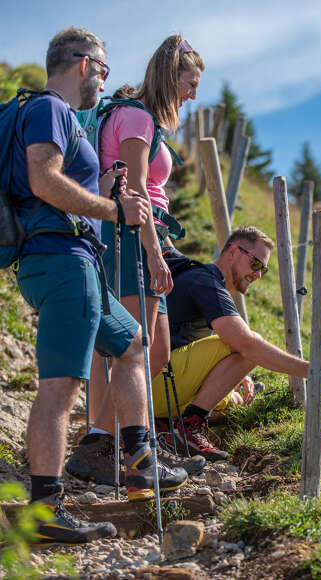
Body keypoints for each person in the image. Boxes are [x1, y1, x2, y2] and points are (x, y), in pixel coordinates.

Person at [11, 27, 187, 544]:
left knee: (131, 341)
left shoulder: (62, 119)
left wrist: (106, 186)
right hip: (61, 261)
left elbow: (55, 187)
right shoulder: (48, 109)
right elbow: (44, 181)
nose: (106, 80)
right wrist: (113, 208)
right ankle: (45, 509)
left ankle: (139, 464)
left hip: (76, 259)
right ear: (84, 64)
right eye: (104, 69)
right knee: (61, 385)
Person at [82, 34, 204, 447]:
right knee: (133, 348)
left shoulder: (140, 117)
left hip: (142, 237)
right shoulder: (137, 119)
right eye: (190, 83)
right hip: (131, 236)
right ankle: (102, 443)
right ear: (172, 77)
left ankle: (111, 439)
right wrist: (155, 253)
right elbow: (134, 190)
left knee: (156, 351)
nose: (192, 95)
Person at [152, 226, 321, 461]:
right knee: (248, 349)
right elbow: (247, 345)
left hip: (157, 383)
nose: (258, 275)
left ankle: (164, 425)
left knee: (235, 400)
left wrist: (236, 375)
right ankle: (186, 430)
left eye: (263, 270)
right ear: (233, 252)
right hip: (156, 381)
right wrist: (313, 370)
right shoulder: (205, 281)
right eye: (256, 264)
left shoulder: (201, 278)